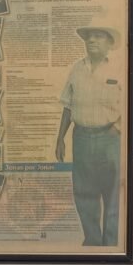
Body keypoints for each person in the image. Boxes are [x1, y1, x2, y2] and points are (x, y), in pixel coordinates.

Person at [54, 25, 122, 246]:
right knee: (84, 192)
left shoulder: (119, 69)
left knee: (112, 193)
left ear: (109, 42)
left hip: (110, 139)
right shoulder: (77, 69)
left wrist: (118, 128)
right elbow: (67, 105)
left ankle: (110, 245)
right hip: (81, 138)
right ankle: (93, 242)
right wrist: (60, 138)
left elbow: (132, 103)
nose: (92, 40)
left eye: (98, 36)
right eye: (89, 37)